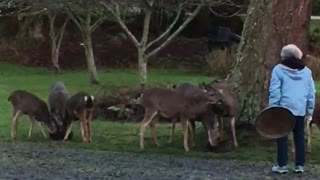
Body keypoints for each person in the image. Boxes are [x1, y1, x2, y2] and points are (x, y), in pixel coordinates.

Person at [268, 44, 316, 173]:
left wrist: (273, 108)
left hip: (283, 109)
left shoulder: (278, 70)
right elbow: (311, 93)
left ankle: (282, 165)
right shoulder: (307, 72)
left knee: (282, 137)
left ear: (284, 56)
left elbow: (275, 91)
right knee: (299, 137)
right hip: (300, 108)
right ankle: (299, 165)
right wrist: (309, 111)